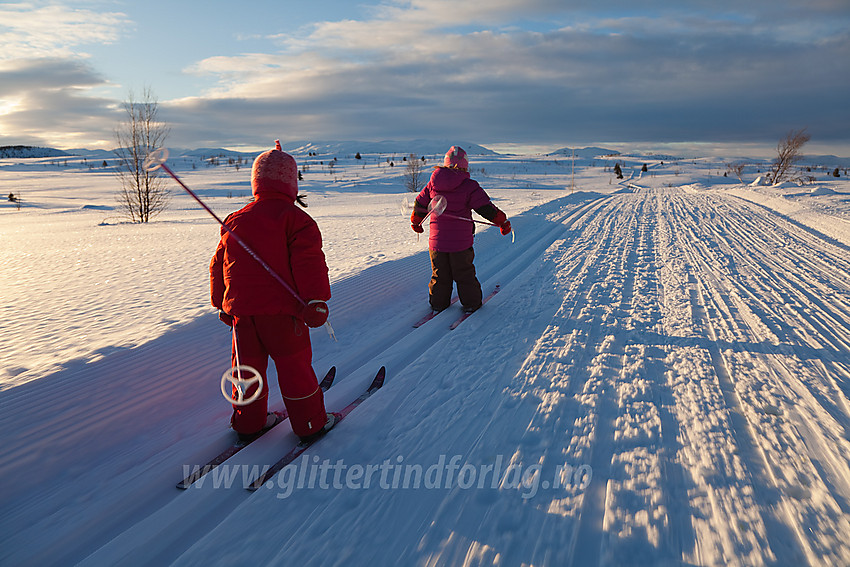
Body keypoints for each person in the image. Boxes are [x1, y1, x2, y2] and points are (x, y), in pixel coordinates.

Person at [210, 141, 336, 443]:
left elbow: (219, 266)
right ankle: (309, 423)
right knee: (295, 370)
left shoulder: (235, 220)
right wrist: (316, 301)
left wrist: (222, 303)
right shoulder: (297, 220)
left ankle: (248, 423)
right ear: (291, 183)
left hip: (243, 316)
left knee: (246, 371)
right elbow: (309, 263)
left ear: (256, 182)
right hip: (283, 316)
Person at [410, 146, 512, 313]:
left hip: (436, 244)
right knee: (464, 274)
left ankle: (438, 303)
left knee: (439, 275)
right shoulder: (469, 186)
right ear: (465, 166)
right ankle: (471, 303)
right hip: (461, 245)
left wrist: (416, 222)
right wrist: (502, 221)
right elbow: (486, 208)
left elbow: (420, 204)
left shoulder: (432, 183)